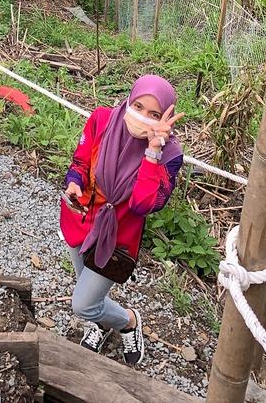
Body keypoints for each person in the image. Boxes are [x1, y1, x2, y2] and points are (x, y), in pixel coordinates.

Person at [61, 74, 184, 366]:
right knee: (86, 289)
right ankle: (101, 323)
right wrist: (74, 180)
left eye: (154, 114)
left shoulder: (170, 155)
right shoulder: (102, 120)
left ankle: (127, 321)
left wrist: (153, 151)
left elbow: (144, 204)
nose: (141, 117)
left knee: (83, 305)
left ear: (166, 117)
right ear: (129, 99)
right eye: (138, 106)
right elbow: (80, 160)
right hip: (80, 219)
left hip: (117, 239)